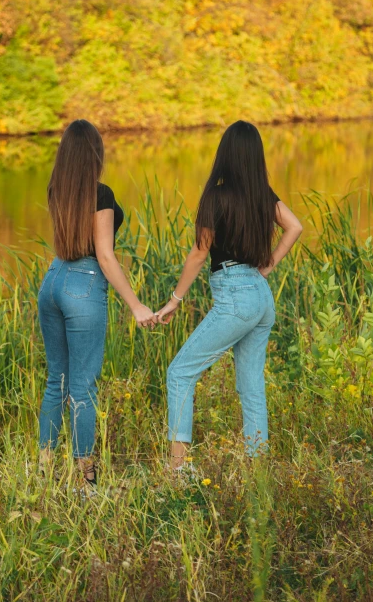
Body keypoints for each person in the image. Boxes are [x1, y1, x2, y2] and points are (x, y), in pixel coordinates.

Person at [156, 121, 303, 470]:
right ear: (254, 157)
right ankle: (257, 471)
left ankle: (178, 472)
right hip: (260, 297)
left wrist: (174, 300)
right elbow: (295, 226)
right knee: (251, 387)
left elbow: (198, 253)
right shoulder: (262, 195)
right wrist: (266, 267)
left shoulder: (216, 196)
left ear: (225, 154)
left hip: (236, 296)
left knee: (179, 373)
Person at [37, 119, 157, 488]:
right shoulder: (100, 194)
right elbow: (105, 256)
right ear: (95, 154)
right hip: (84, 285)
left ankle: (43, 471)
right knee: (83, 387)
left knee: (56, 381)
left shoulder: (56, 188)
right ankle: (86, 479)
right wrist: (136, 305)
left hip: (53, 280)